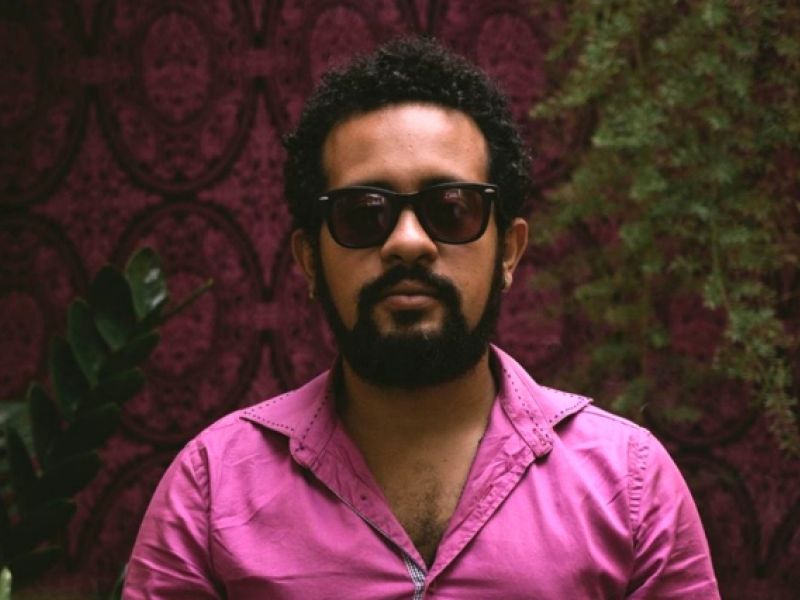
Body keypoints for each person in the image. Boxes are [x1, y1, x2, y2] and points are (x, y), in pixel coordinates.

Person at [124, 37, 720, 599]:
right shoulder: (212, 488)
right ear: (309, 260)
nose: (408, 243)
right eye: (364, 213)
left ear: (508, 252)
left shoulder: (629, 483)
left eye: (451, 208)